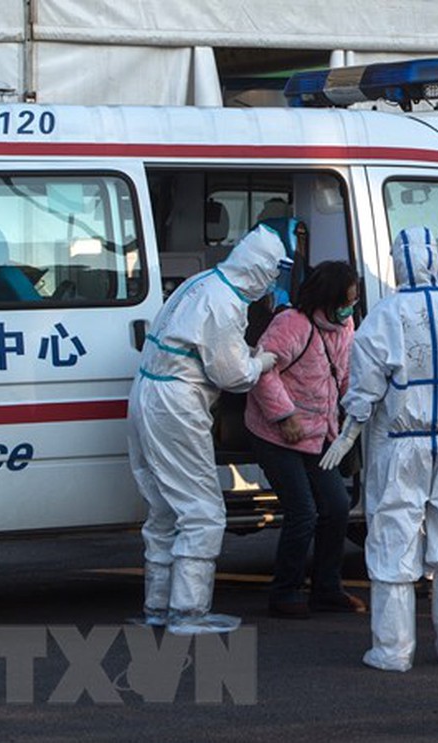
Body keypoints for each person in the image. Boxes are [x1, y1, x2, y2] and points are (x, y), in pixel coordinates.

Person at [320, 226, 438, 672]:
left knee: (393, 544)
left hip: (402, 447)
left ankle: (393, 650)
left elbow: (365, 390)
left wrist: (347, 436)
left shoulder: (383, 317)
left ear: (399, 263)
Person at [127, 225, 285, 635]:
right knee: (202, 512)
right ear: (260, 269)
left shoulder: (203, 282)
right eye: (273, 272)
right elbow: (232, 375)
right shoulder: (225, 302)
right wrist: (261, 362)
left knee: (165, 507)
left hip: (148, 391)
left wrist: (243, 356)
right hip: (177, 401)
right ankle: (188, 611)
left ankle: (157, 606)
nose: (273, 281)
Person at [245, 260, 366, 618]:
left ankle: (327, 588)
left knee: (337, 507)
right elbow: (263, 372)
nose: (350, 307)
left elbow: (344, 373)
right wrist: (285, 415)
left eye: (354, 300)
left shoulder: (344, 326)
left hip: (319, 432)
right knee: (303, 511)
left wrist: (355, 408)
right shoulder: (291, 324)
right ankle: (285, 592)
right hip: (276, 433)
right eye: (346, 300)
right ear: (327, 297)